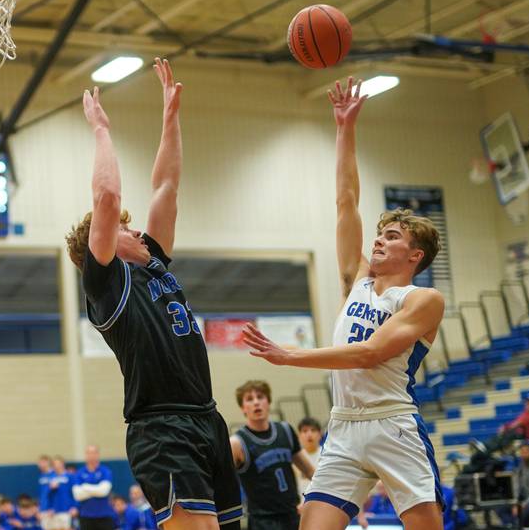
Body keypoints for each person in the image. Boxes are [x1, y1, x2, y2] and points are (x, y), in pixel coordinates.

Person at [242, 78, 445, 530]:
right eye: (380, 232)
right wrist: (343, 128)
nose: (379, 239)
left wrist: (290, 355)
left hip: (392, 423)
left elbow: (371, 353)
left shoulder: (423, 299)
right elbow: (345, 200)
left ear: (415, 256)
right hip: (344, 425)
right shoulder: (356, 279)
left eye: (392, 236)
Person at [65, 59, 241, 530]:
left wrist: (170, 115)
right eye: (126, 229)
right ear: (102, 248)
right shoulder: (106, 282)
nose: (138, 228)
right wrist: (102, 130)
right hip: (162, 428)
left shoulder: (154, 258)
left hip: (208, 419)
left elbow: (166, 184)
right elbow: (107, 199)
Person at [230, 380, 315, 530]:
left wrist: (311, 497)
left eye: (260, 397)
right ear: (243, 408)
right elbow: (223, 483)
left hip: (293, 516)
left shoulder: (285, 430)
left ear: (268, 402)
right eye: (249, 399)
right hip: (262, 521)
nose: (256, 402)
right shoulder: (237, 442)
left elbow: (311, 472)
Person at [71, 445, 113, 530]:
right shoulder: (79, 473)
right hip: (86, 516)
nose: (91, 455)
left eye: (93, 453)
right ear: (86, 455)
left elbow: (104, 491)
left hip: (104, 515)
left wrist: (85, 486)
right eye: (89, 453)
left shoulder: (105, 471)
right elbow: (78, 495)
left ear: (98, 455)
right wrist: (97, 489)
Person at [295, 417, 322, 498]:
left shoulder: (328, 455)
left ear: (320, 434)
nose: (309, 434)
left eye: (313, 430)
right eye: (305, 431)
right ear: (299, 436)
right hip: (303, 505)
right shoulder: (295, 458)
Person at [48, 456, 76, 530]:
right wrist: (50, 508)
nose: (57, 466)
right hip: (55, 511)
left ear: (63, 464)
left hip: (67, 510)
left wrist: (74, 507)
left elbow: (75, 493)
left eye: (58, 464)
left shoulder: (70, 476)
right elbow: (48, 496)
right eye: (54, 464)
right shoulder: (51, 477)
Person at [37, 456, 53, 530]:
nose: (40, 465)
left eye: (42, 462)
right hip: (43, 509)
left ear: (48, 462)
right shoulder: (41, 476)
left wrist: (53, 508)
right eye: (39, 463)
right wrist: (39, 510)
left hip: (52, 510)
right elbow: (41, 495)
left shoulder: (54, 475)